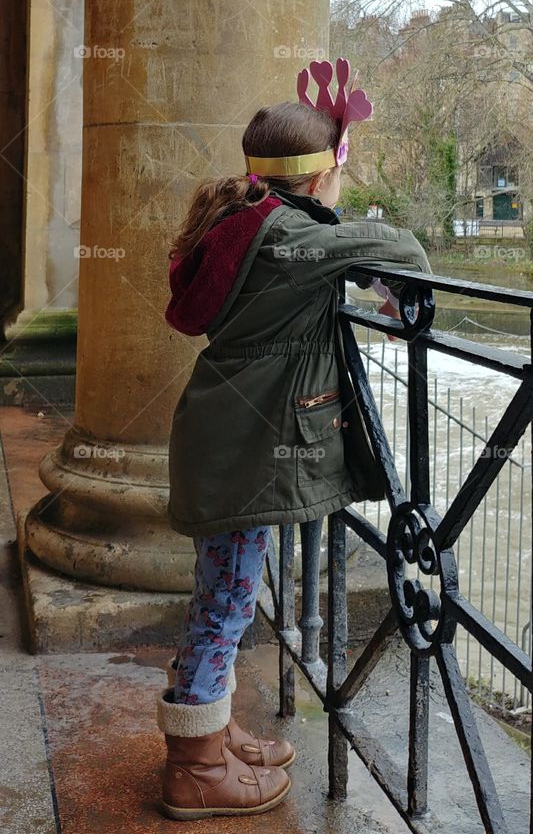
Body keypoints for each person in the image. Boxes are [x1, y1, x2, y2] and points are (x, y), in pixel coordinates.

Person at [156, 59, 430, 819]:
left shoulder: (243, 224)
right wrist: (360, 244)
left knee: (222, 594)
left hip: (221, 436)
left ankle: (207, 727)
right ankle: (194, 769)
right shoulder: (294, 237)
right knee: (228, 602)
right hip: (246, 451)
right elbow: (405, 249)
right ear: (320, 178)